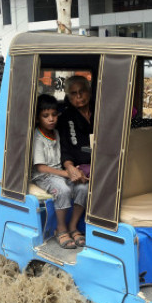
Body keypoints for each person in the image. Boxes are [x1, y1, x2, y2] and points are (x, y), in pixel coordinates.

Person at [31, 94, 88, 249]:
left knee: (84, 187)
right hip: (43, 176)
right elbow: (40, 167)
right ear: (37, 118)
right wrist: (66, 173)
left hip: (59, 172)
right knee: (62, 190)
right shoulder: (37, 137)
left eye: (54, 115)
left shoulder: (56, 133)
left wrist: (73, 171)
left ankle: (73, 226)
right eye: (46, 116)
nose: (51, 119)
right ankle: (60, 229)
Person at [59, 76, 94, 179]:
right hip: (80, 166)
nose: (79, 96)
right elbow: (64, 149)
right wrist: (70, 167)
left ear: (89, 92)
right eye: (74, 93)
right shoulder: (64, 118)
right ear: (69, 97)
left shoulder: (100, 110)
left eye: (82, 91)